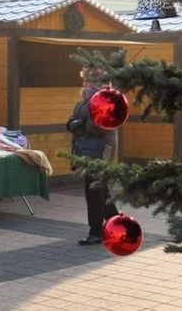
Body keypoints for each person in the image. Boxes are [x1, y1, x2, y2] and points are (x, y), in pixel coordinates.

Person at [67, 68, 119, 245]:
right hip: (87, 148)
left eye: (87, 81)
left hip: (102, 148)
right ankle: (117, 224)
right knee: (99, 189)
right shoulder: (83, 102)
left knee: (94, 189)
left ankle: (96, 232)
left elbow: (100, 125)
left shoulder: (106, 100)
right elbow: (73, 120)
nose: (84, 84)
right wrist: (72, 124)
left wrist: (79, 124)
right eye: (84, 81)